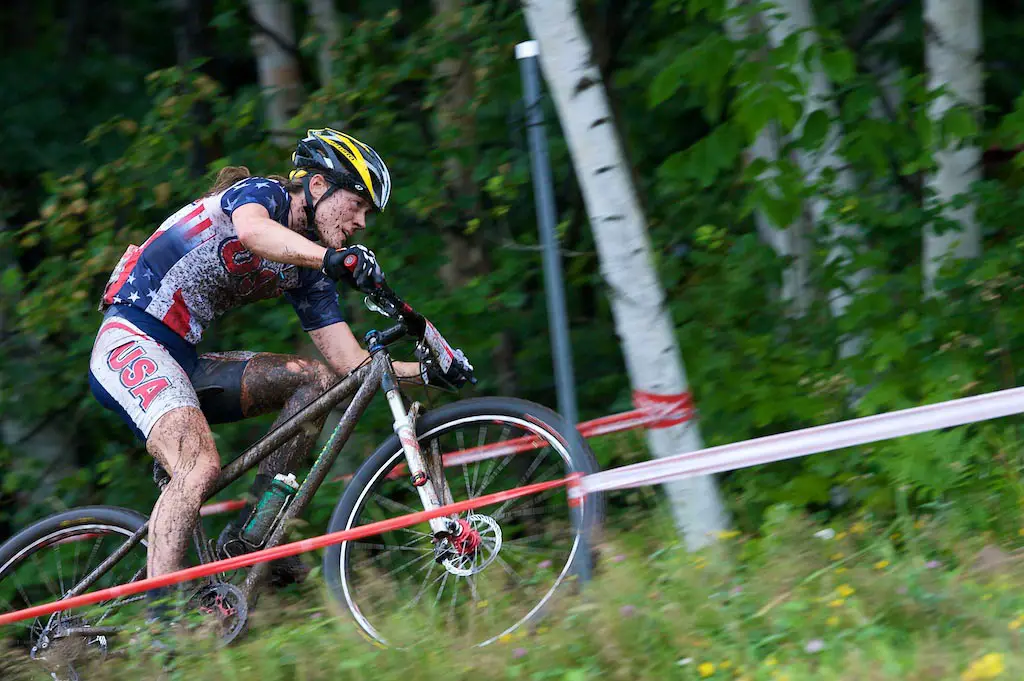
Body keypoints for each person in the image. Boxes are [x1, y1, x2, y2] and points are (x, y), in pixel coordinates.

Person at [87, 128, 465, 601]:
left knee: (319, 384)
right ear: (320, 186)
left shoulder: (308, 270)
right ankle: (162, 625)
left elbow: (352, 364)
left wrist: (426, 372)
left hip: (182, 358)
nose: (363, 222)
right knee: (199, 465)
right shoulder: (263, 195)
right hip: (130, 339)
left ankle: (254, 531)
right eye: (358, 203)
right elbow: (252, 232)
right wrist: (332, 259)